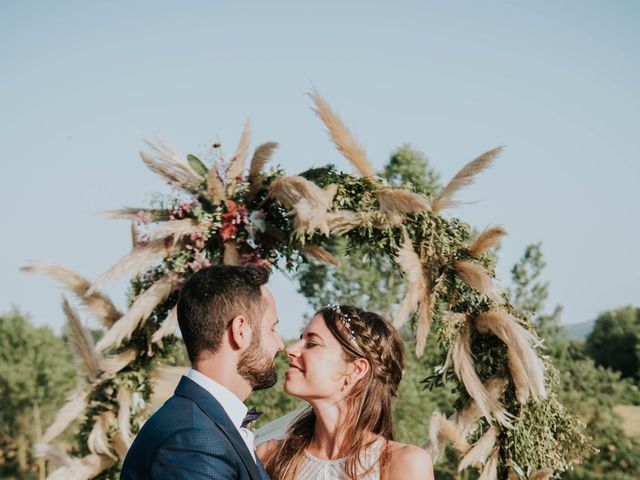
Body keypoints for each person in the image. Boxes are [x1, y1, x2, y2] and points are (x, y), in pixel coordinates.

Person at [121, 264, 284, 480]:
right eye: (272, 328)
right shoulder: (195, 441)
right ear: (240, 330)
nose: (280, 344)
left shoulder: (201, 422)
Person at [257, 305, 434, 480]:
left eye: (312, 344)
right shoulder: (269, 457)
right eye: (300, 339)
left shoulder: (403, 463)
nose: (290, 349)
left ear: (356, 370)